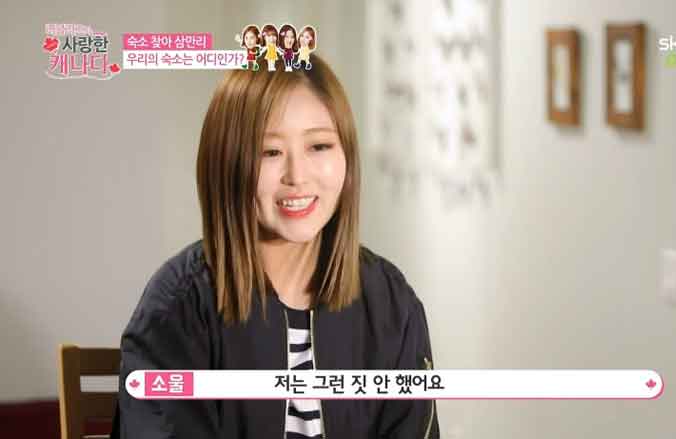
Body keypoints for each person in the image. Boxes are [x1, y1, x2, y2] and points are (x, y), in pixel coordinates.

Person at [111, 54, 440, 438]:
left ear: (347, 156)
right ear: (226, 162)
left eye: (319, 146)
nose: (297, 176)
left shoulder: (390, 301)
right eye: (269, 152)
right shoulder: (179, 306)